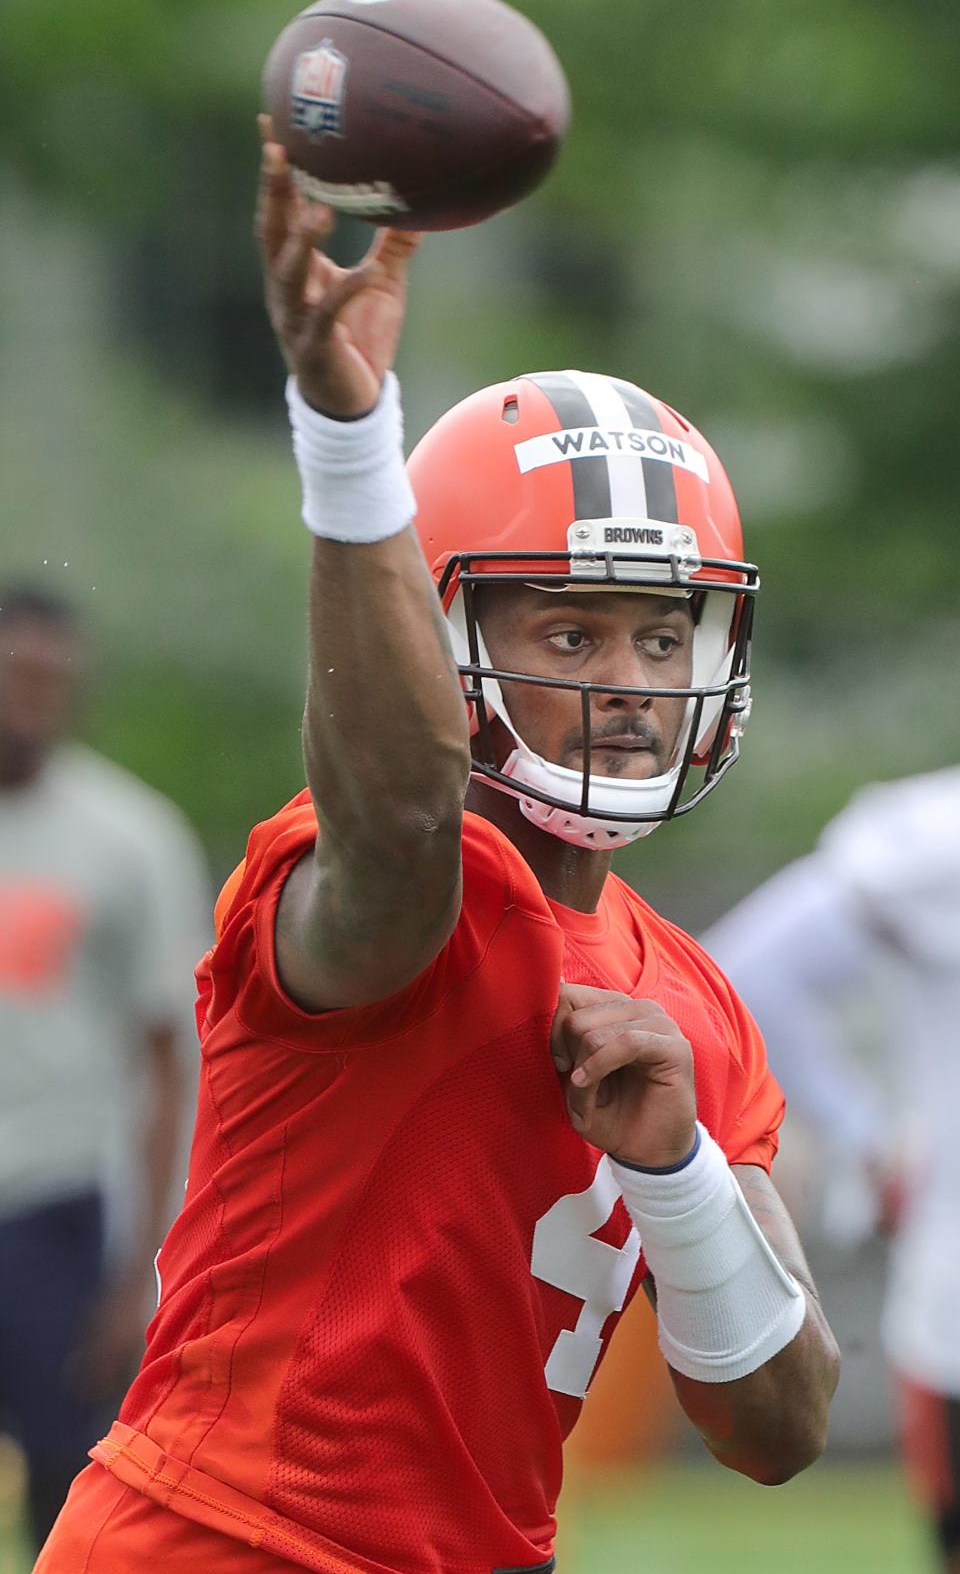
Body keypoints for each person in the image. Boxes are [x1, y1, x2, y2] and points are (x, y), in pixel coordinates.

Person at [35, 128, 840, 1574]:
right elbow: (404, 814)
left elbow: (780, 1425)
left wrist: (679, 1171)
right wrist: (349, 441)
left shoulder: (696, 1002)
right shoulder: (393, 878)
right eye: (571, 628)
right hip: (221, 1543)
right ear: (451, 642)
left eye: (666, 635)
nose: (633, 680)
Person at [704, 767, 960, 1573]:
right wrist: (870, 1133)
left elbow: (745, 970)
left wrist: (874, 1140)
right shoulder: (934, 844)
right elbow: (743, 977)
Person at [0, 585, 210, 1552]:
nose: (31, 699)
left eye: (52, 680)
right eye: (16, 676)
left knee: (72, 1494)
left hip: (56, 1215)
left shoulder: (129, 837)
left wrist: (142, 1272)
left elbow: (175, 1060)